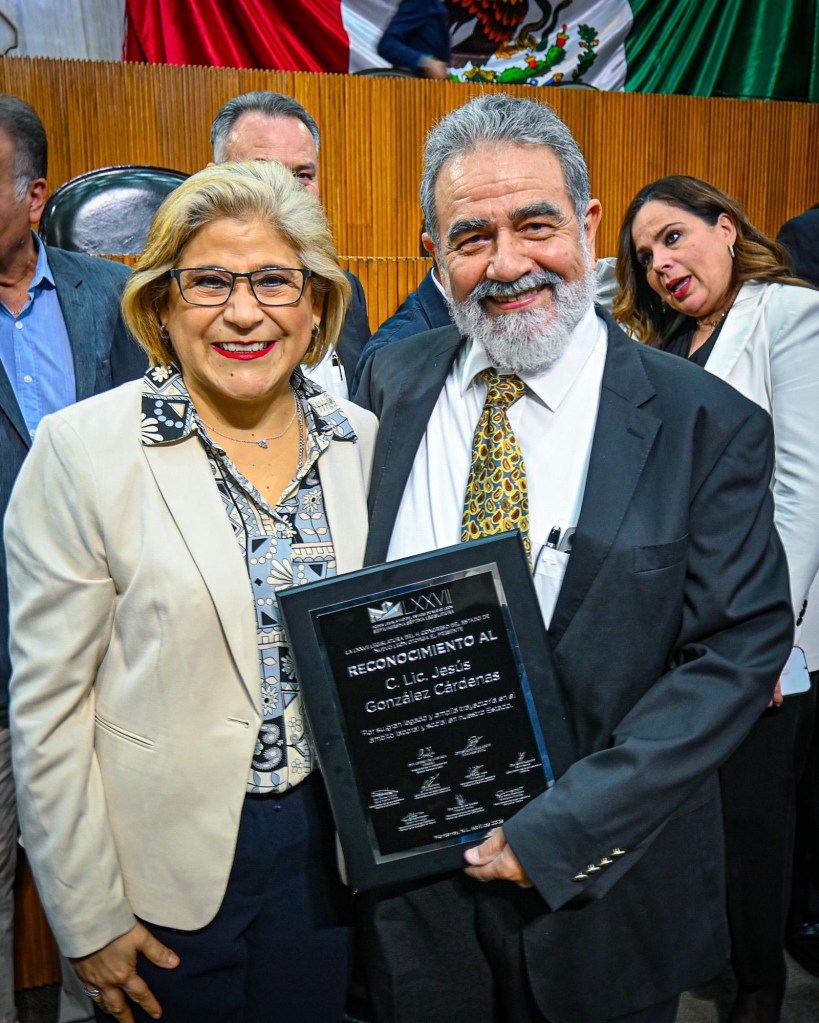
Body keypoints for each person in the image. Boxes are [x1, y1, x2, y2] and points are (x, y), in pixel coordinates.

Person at [354, 93, 793, 1023]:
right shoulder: (390, 382)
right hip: (414, 902)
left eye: (535, 225)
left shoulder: (704, 422)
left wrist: (562, 831)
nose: (507, 263)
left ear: (588, 225)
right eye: (470, 237)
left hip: (606, 891)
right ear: (432, 253)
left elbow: (733, 652)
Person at [6, 159, 377, 1023]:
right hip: (160, 872)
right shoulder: (81, 449)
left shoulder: (362, 438)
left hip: (330, 857)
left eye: (274, 281)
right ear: (162, 306)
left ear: (316, 305)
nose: (243, 312)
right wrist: (88, 915)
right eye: (208, 281)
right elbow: (49, 709)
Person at [616, 174, 819, 1023]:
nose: (659, 264)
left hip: (760, 627)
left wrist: (766, 637)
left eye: (673, 237)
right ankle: (709, 961)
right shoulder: (663, 342)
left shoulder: (788, 314)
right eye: (643, 256)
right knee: (692, 815)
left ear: (725, 227)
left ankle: (758, 989)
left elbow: (802, 490)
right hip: (679, 626)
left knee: (752, 822)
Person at [0, 93, 145, 1023]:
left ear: (35, 194)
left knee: (114, 888)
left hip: (115, 654)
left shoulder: (113, 294)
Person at [210, 91, 370, 398]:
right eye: (262, 171)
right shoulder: (185, 296)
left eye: (302, 175)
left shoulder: (342, 289)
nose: (287, 189)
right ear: (211, 179)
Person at [377, 0, 452, 80]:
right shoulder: (422, 2)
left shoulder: (437, 7)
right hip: (408, 83)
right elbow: (387, 45)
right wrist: (426, 63)